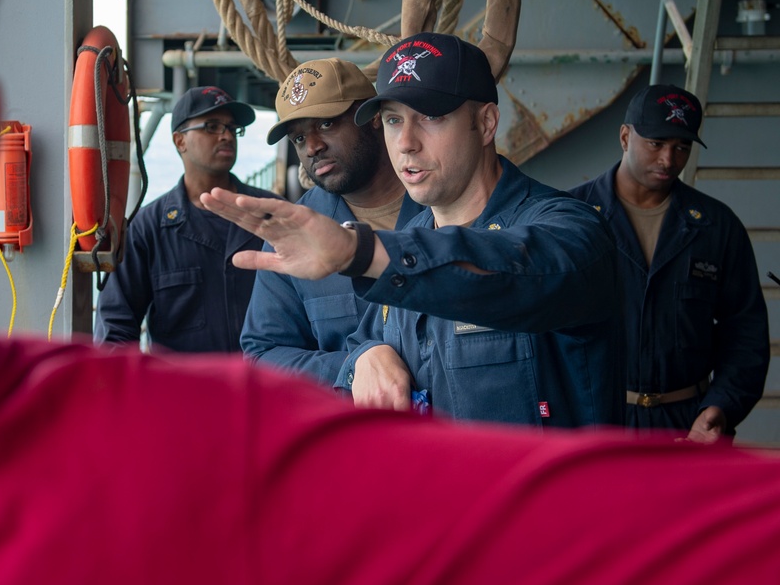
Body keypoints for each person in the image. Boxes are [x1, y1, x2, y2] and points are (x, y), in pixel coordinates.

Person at [0, 0, 780, 585]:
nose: (392, 141)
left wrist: (365, 261)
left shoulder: (167, 441)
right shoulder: (282, 265)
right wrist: (359, 351)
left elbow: (541, 291)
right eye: (384, 121)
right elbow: (262, 349)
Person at [203, 33, 625, 428]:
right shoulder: (410, 238)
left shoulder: (571, 226)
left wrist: (360, 253)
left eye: (431, 116)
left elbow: (525, 268)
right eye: (392, 120)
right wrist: (365, 356)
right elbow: (361, 345)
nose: (405, 141)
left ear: (487, 122)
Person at [568, 84, 770, 443]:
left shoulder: (715, 225)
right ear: (626, 137)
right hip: (596, 420)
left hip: (687, 424)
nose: (668, 160)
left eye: (681, 147)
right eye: (656, 144)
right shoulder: (571, 218)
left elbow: (746, 333)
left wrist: (719, 409)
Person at [241, 58, 422, 384]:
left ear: (373, 118)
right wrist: (352, 368)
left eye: (326, 124)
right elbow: (263, 354)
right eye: (298, 138)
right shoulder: (292, 234)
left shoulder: (444, 203)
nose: (312, 147)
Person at [93, 85, 280, 353]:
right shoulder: (149, 228)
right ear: (180, 141)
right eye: (212, 126)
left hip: (268, 388)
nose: (227, 135)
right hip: (185, 392)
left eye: (232, 128)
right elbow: (116, 326)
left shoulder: (272, 212)